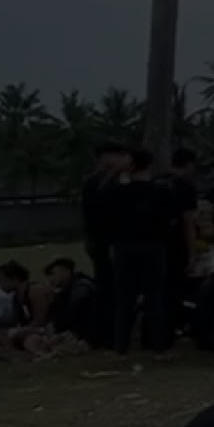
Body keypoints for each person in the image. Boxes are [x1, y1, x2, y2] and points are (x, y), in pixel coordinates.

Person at [109, 148, 175, 357]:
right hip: (153, 246)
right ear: (149, 165)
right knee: (155, 297)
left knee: (124, 298)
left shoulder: (118, 192)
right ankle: (158, 346)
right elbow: (170, 220)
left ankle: (121, 346)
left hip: (124, 247)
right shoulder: (161, 191)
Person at [81, 141, 129, 349]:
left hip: (101, 241)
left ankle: (105, 333)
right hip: (108, 242)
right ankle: (108, 334)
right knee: (111, 289)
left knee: (109, 288)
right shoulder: (104, 183)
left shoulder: (96, 182)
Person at [160, 148, 199, 339]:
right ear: (189, 164)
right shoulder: (186, 187)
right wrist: (192, 253)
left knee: (160, 287)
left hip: (157, 243)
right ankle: (176, 324)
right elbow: (188, 222)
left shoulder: (157, 183)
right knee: (177, 287)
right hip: (177, 243)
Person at [0, 261, 53, 353]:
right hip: (32, 329)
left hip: (48, 329)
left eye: (1, 281)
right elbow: (13, 322)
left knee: (27, 339)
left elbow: (40, 321)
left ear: (14, 279)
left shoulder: (35, 290)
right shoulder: (16, 295)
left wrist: (15, 332)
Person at [44, 257, 100, 348]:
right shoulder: (66, 291)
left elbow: (72, 318)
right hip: (80, 333)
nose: (51, 279)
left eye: (53, 274)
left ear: (66, 272)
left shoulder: (81, 288)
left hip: (91, 335)